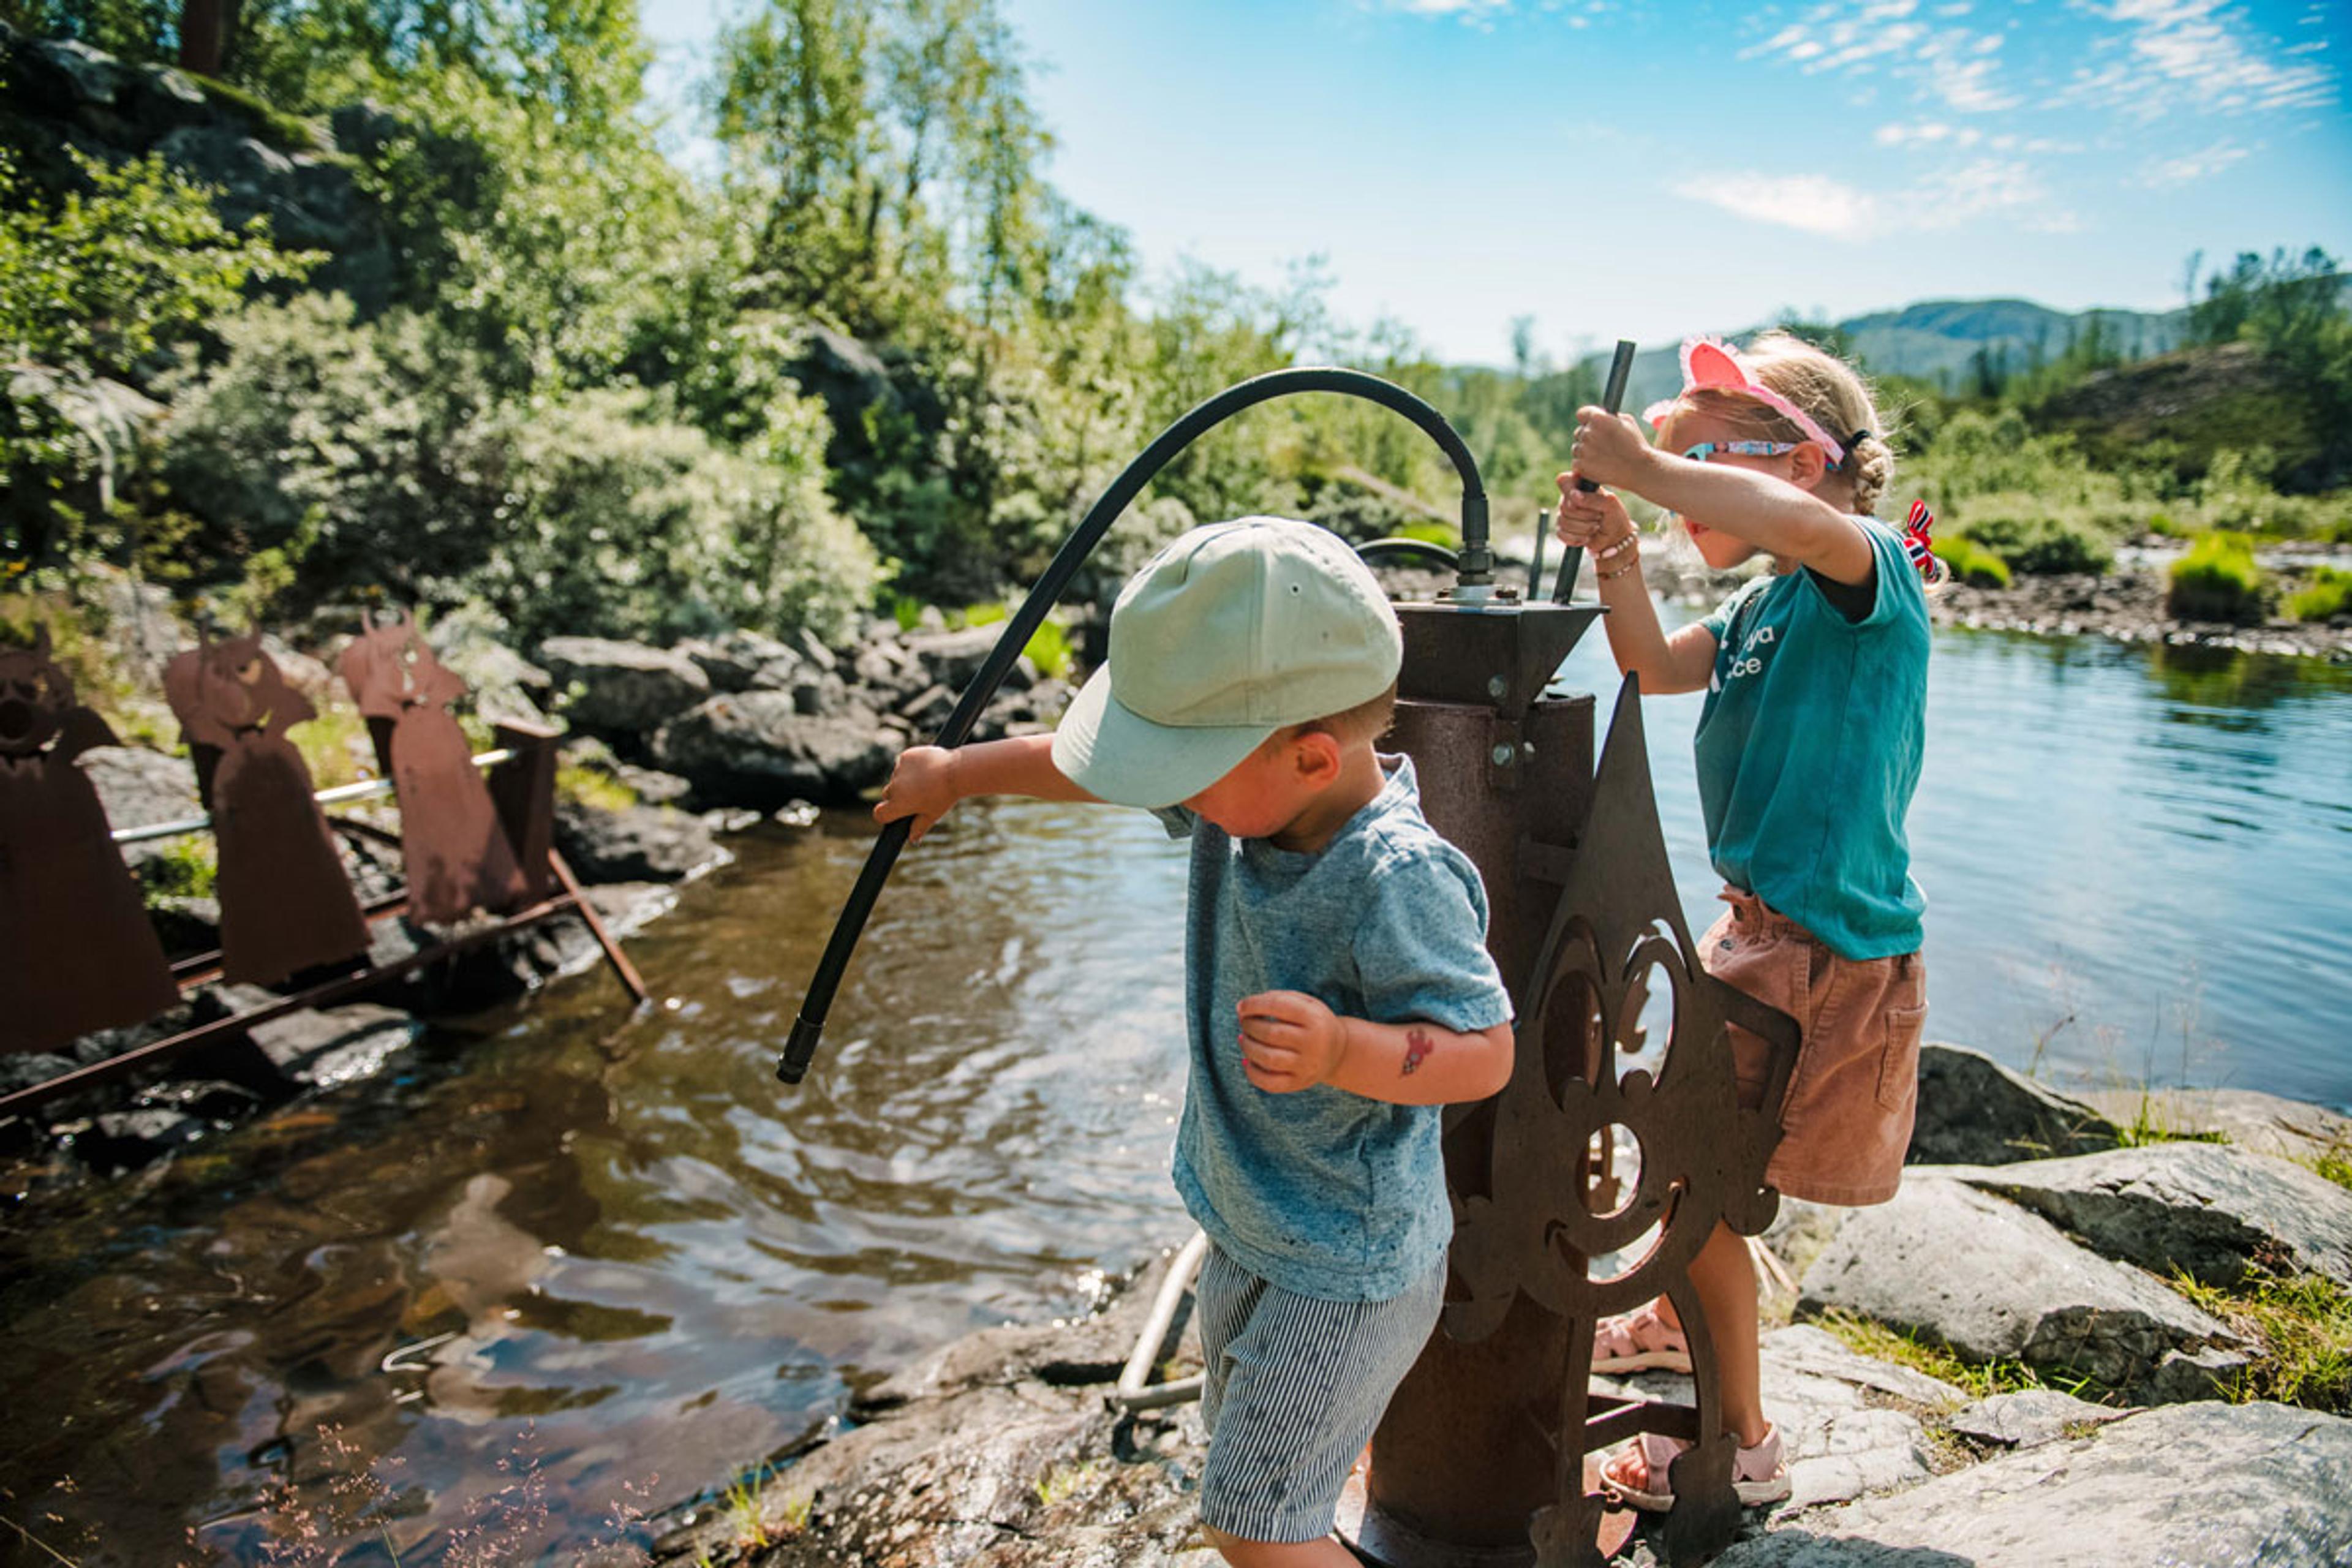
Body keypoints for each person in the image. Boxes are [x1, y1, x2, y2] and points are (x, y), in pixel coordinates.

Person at [875, 517, 1515, 1567]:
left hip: (1347, 1263)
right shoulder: (1251, 798)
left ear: (1310, 755)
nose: (1169, 791)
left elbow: (1485, 1052)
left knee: (1251, 1525)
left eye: (1186, 766)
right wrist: (958, 774)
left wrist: (1345, 1050)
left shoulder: (1396, 877)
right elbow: (1096, 771)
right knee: (1256, 1471)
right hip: (1251, 1220)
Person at [1552, 332, 1935, 1512]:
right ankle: (1678, 1330)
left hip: (1824, 954)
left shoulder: (1863, 571)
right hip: (1757, 936)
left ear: (1803, 463)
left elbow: (1803, 526)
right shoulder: (1765, 608)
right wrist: (1620, 547)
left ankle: (1742, 1448)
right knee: (1686, 1166)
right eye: (1679, 463)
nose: (1681, 492)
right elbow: (1649, 662)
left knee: (1700, 1183)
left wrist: (1644, 466)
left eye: (1705, 456)